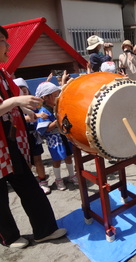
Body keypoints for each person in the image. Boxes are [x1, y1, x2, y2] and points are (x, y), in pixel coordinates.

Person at [0, 25, 66, 249]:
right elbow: (10, 103)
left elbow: (12, 101)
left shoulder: (3, 72)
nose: (7, 46)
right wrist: (17, 102)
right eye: (2, 41)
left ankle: (44, 230)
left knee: (29, 186)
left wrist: (29, 110)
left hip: (9, 141)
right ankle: (9, 237)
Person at [35, 82, 78, 190]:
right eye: (55, 96)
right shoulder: (43, 111)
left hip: (64, 136)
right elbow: (45, 129)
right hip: (54, 139)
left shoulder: (58, 106)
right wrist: (57, 121)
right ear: (45, 97)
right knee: (57, 159)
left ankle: (72, 175)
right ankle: (58, 179)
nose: (57, 97)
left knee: (68, 156)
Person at [13, 78, 51, 194]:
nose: (22, 93)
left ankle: (43, 181)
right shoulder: (14, 106)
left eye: (24, 90)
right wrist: (36, 116)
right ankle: (31, 183)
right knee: (26, 162)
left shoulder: (32, 104)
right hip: (20, 137)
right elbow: (22, 118)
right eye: (19, 91)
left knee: (38, 159)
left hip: (33, 136)